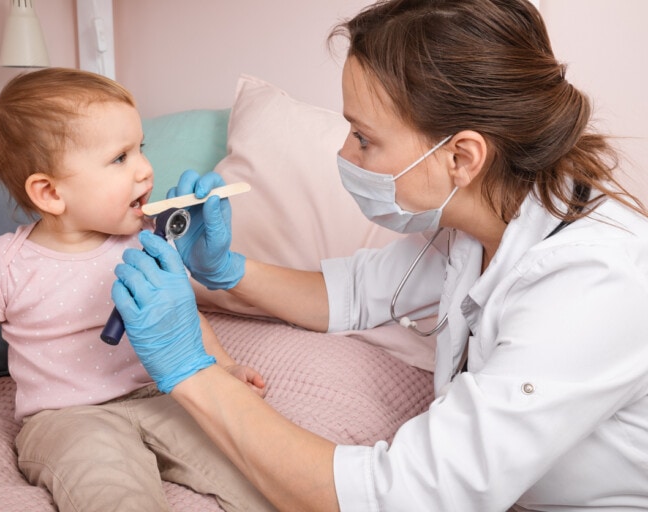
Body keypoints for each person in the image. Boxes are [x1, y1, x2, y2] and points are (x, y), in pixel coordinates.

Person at [110, 1, 648, 511]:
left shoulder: (592, 282)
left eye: (364, 138)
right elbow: (357, 291)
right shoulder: (482, 220)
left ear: (462, 156)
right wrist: (225, 271)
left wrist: (190, 373)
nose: (345, 153)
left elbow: (397, 498)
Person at [0, 68, 275, 512]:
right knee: (111, 492)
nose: (145, 168)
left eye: (140, 149)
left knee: (253, 466)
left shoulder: (148, 237)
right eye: (120, 158)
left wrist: (224, 369)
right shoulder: (4, 265)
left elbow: (183, 316)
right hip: (67, 418)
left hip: (162, 395)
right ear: (50, 192)